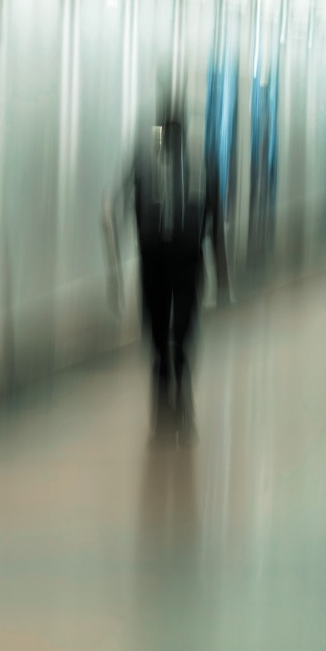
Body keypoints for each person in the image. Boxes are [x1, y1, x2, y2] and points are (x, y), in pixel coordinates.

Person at [104, 106, 228, 428]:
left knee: (185, 323)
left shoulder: (201, 162)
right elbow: (114, 204)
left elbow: (215, 214)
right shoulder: (144, 160)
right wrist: (115, 270)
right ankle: (163, 386)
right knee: (158, 325)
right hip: (156, 257)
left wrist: (222, 268)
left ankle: (180, 384)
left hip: (185, 257)